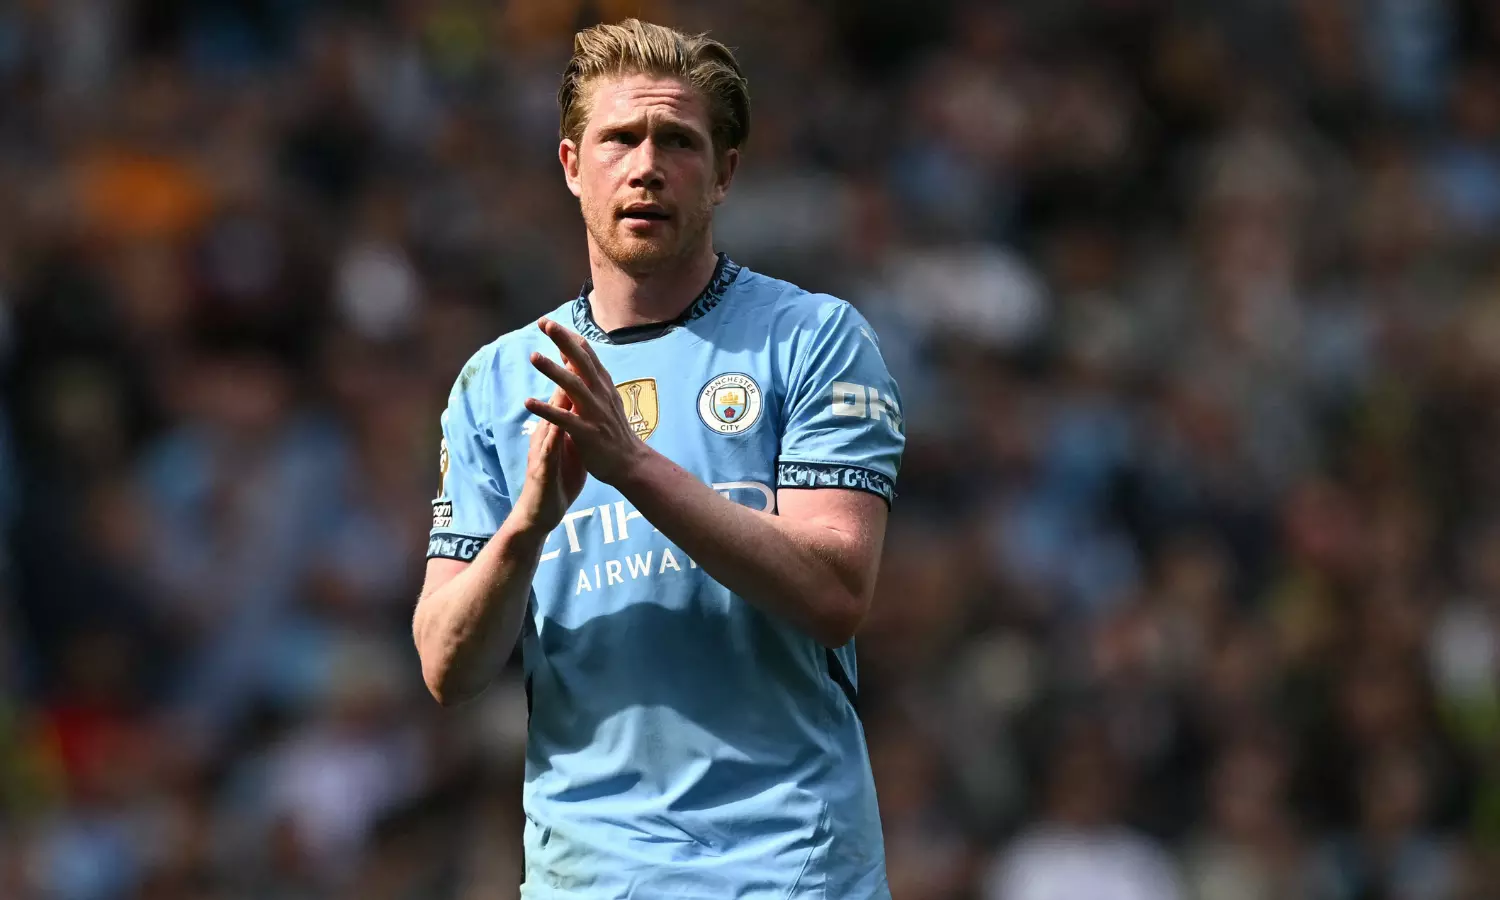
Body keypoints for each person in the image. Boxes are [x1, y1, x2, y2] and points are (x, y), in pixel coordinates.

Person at [410, 18, 905, 899]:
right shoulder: (498, 382)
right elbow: (448, 666)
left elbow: (836, 594)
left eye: (677, 141)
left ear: (724, 174)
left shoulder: (813, 340)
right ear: (573, 165)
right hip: (589, 878)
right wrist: (526, 528)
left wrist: (632, 467)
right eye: (620, 139)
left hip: (786, 870)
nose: (646, 167)